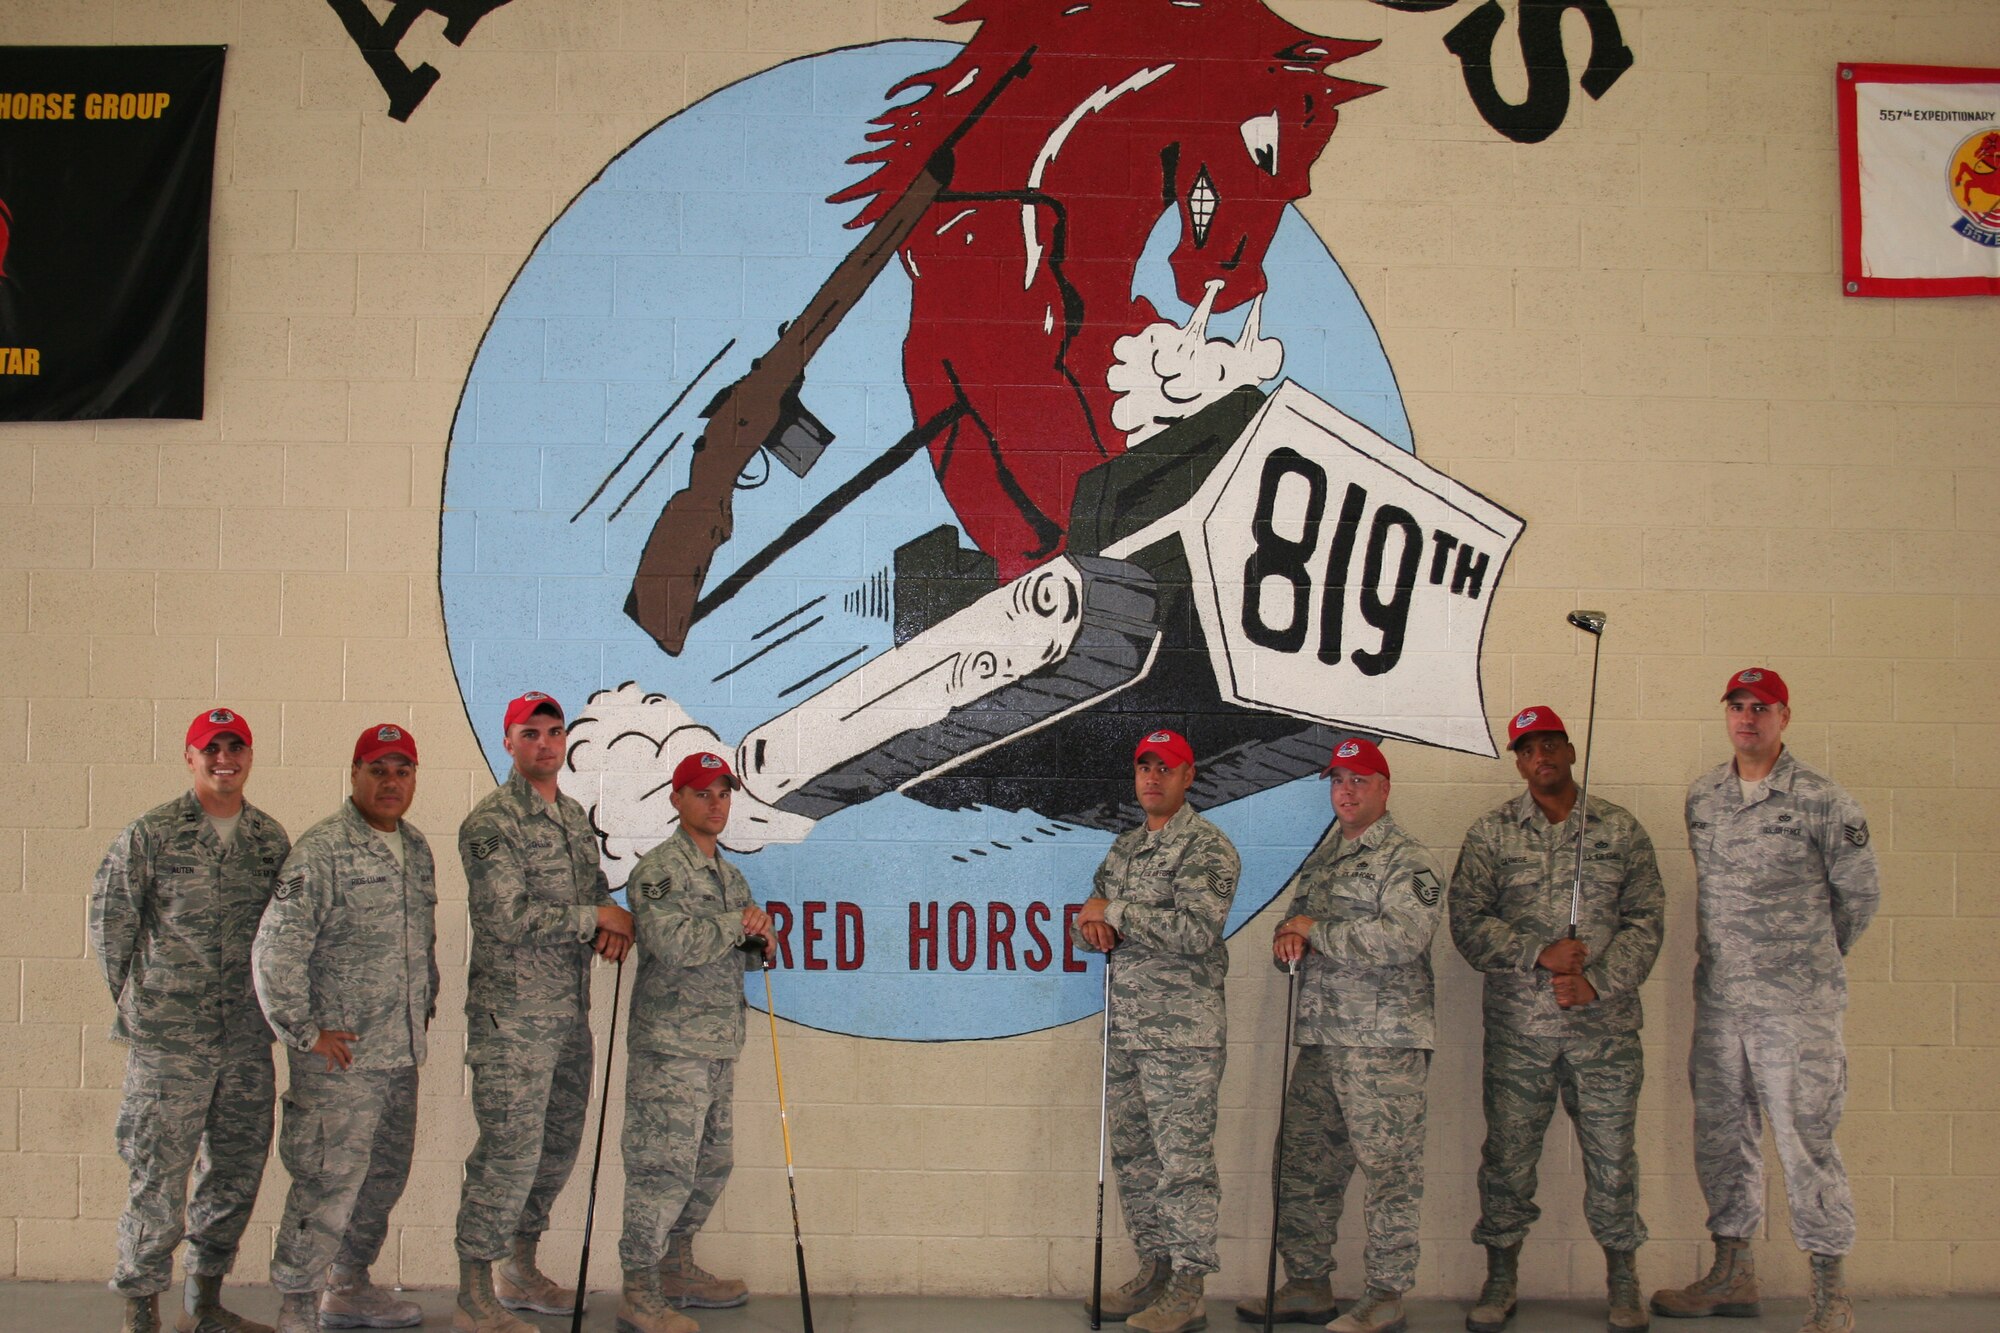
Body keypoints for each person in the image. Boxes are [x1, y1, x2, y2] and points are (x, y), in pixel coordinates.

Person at [1652, 669, 1878, 1333]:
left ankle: (1830, 1292)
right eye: (1737, 706)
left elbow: (1859, 897)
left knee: (1806, 1142)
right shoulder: (1704, 796)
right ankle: (1733, 1270)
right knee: (1722, 1137)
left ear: (1785, 716)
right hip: (1722, 1003)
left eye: (1761, 707)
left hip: (1796, 1008)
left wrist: (1802, 963)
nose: (1747, 718)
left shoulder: (1823, 799)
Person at [1449, 705, 1665, 1333]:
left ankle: (1623, 1278)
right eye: (1527, 749)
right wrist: (1536, 953)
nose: (1539, 757)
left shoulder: (1619, 829)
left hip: (1606, 1034)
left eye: (1549, 745)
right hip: (1520, 1036)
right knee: (1508, 1160)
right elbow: (1466, 922)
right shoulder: (1491, 834)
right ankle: (1501, 1276)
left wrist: (1598, 982)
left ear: (1569, 750)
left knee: (1613, 1160)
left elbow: (1646, 920)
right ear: (1518, 762)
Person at [91, 708, 292, 1333]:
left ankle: (204, 1302)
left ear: (249, 756)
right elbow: (110, 929)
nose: (223, 759)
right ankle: (141, 1310)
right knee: (158, 1176)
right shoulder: (151, 835)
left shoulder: (268, 839)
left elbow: (281, 936)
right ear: (190, 756)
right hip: (169, 1044)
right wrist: (148, 1008)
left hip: (245, 1040)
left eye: (235, 748)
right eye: (211, 748)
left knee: (235, 1172)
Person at [1235, 737, 1442, 1333]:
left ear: (1384, 788)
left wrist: (1315, 930)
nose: (1346, 791)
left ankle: (1386, 1295)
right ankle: (1308, 1283)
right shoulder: (1325, 860)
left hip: (1384, 1045)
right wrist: (1288, 937)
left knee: (1389, 1172)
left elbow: (1403, 938)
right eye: (1338, 780)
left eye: (1359, 780)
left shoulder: (1409, 860)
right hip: (1323, 1039)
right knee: (1302, 1164)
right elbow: (1296, 923)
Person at [452, 692, 635, 1333]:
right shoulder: (490, 823)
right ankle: (473, 1294)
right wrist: (596, 918)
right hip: (512, 1021)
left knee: (554, 1150)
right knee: (506, 1155)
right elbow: (508, 918)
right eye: (530, 733)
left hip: (566, 1016)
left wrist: (608, 925)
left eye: (554, 732)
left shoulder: (573, 817)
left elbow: (593, 892)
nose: (545, 743)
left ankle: (519, 1271)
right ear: (508, 743)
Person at [253, 724, 439, 1333]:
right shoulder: (324, 850)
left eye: (402, 771)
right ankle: (298, 1308)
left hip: (398, 1056)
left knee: (382, 1179)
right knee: (325, 1185)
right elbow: (276, 948)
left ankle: (349, 1285)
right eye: (377, 769)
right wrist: (304, 1032)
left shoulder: (415, 847)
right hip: (340, 1064)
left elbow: (420, 943)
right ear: (355, 773)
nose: (391, 782)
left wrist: (422, 1008)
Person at [1074, 728, 1240, 1333]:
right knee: (1136, 1159)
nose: (1152, 777)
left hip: (1182, 1039)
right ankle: (1156, 1269)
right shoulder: (1123, 849)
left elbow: (1196, 931)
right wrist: (1092, 925)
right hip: (1126, 1032)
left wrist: (1115, 913)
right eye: (1145, 767)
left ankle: (1189, 1290)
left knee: (1183, 1165)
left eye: (1165, 768)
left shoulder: (1208, 849)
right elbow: (1090, 916)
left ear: (1188, 776)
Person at [616, 752, 773, 1333]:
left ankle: (675, 1267)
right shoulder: (659, 871)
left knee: (710, 1163)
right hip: (671, 1049)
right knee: (661, 1170)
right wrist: (736, 925)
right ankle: (638, 1292)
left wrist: (763, 939)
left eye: (723, 793)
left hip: (718, 1045)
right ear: (676, 799)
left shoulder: (730, 877)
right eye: (702, 792)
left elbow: (741, 955)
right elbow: (671, 943)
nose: (716, 803)